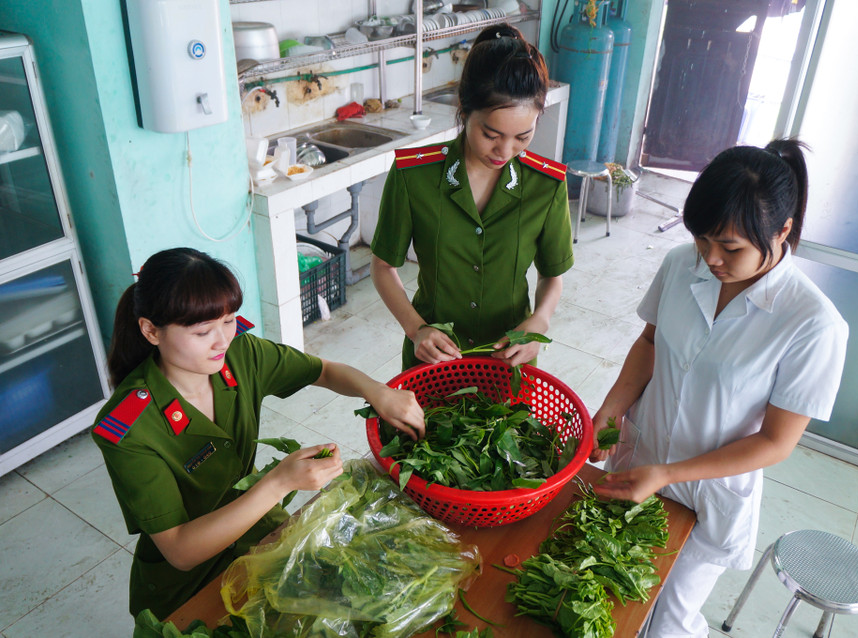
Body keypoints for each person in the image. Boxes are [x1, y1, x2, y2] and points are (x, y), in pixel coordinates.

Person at [590, 140, 848, 637]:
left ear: (783, 233)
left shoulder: (813, 324)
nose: (711, 259)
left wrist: (667, 473)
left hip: (709, 493)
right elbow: (650, 342)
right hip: (640, 459)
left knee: (668, 619)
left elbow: (776, 442)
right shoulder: (680, 264)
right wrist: (610, 410)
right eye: (702, 240)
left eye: (730, 248)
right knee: (613, 596)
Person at [91, 248, 425, 620]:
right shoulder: (127, 428)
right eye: (202, 332)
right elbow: (180, 550)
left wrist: (376, 391)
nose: (221, 341)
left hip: (254, 533)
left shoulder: (240, 354)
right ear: (151, 331)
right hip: (188, 586)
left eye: (229, 321)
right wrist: (279, 483)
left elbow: (323, 370)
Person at [370, 23, 574, 371]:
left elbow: (551, 275)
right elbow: (383, 266)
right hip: (433, 360)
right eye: (491, 134)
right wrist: (415, 328)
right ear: (464, 109)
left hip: (509, 362)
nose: (505, 151)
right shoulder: (413, 176)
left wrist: (540, 320)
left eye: (523, 137)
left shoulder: (547, 185)